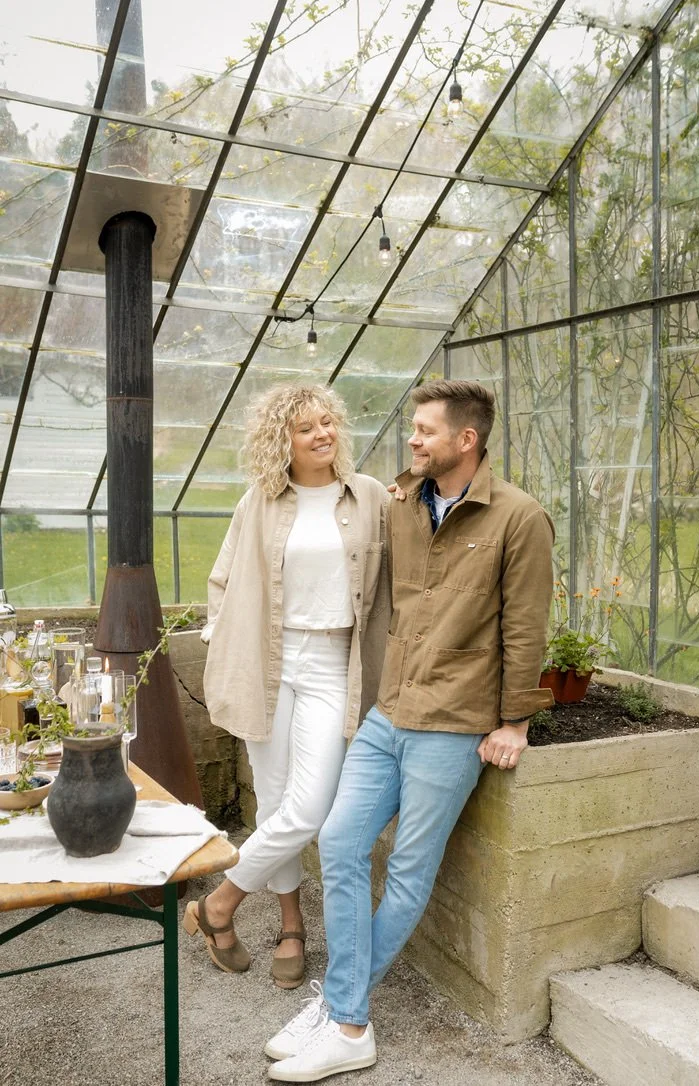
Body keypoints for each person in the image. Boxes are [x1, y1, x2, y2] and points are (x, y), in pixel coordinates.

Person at [264, 378, 555, 1080]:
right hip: (389, 711)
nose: (411, 440)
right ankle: (342, 1005)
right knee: (336, 841)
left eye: (425, 430)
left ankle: (347, 1021)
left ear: (467, 440)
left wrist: (514, 721)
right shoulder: (403, 506)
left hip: (454, 725)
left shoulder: (520, 519)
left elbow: (526, 627)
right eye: (413, 429)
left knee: (408, 871)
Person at [184, 384, 389, 990]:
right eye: (306, 428)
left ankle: (217, 905)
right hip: (268, 660)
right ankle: (292, 926)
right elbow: (224, 579)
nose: (322, 434)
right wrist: (226, 638)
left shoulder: (371, 496)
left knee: (311, 807)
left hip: (332, 661)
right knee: (274, 804)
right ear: (284, 440)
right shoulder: (260, 502)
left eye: (328, 422)